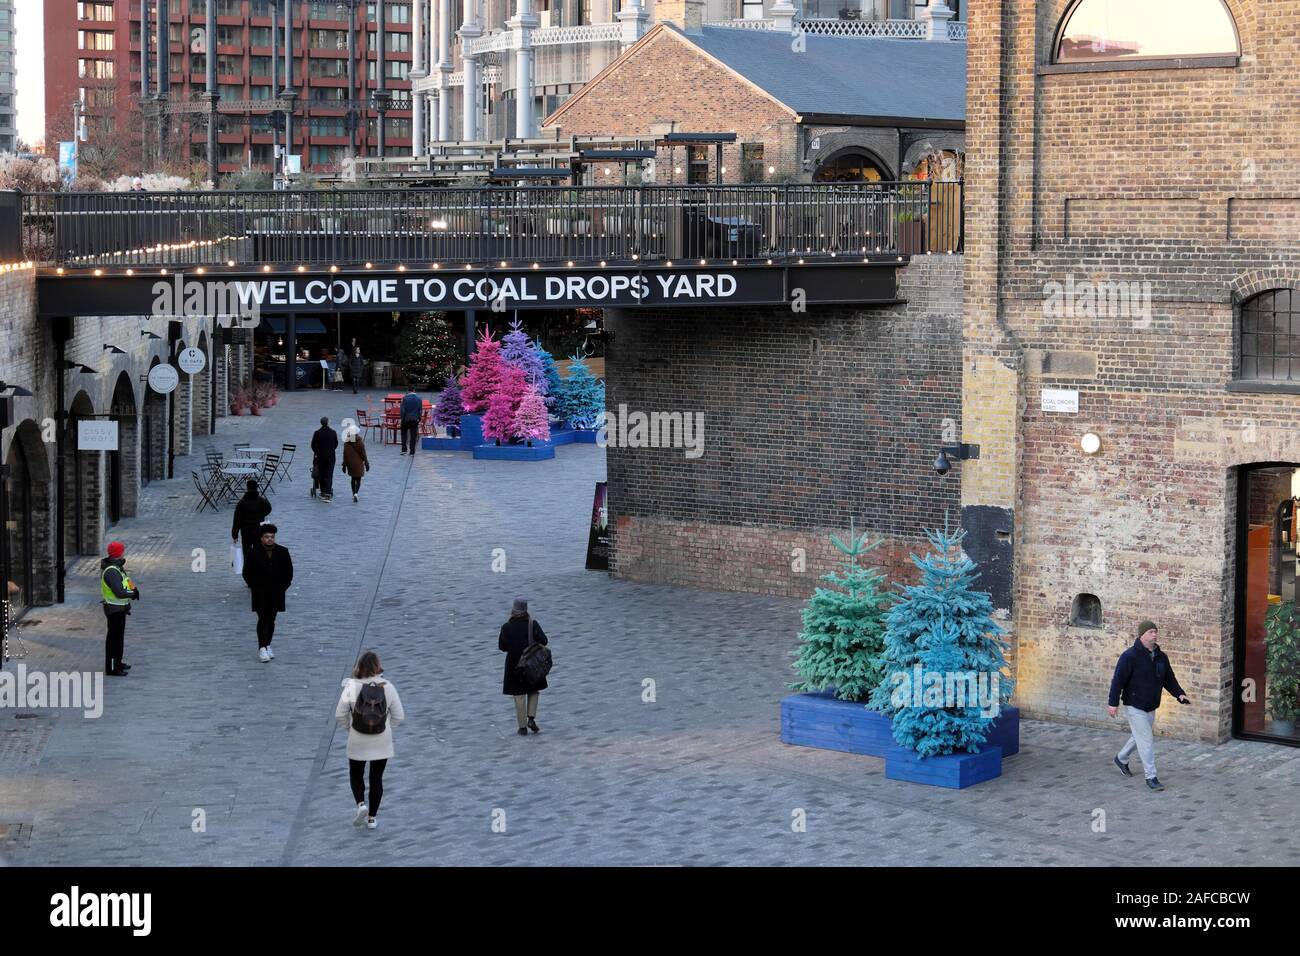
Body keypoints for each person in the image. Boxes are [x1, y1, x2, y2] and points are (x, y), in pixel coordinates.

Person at [1108, 620, 1190, 792]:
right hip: (1134, 704)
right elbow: (1118, 680)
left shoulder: (1161, 657)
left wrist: (1179, 694)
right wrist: (1113, 703)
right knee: (1146, 740)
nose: (1155, 634)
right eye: (1151, 632)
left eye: (1155, 632)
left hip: (1151, 705)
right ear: (1142, 635)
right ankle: (1151, 776)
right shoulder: (1130, 656)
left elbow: (1169, 679)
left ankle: (1121, 758)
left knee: (1140, 736)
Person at [335, 651, 405, 830]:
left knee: (356, 774)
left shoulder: (352, 686)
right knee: (376, 778)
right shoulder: (387, 686)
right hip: (381, 741)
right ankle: (372, 818)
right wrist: (387, 728)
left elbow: (340, 714)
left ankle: (361, 805)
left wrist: (351, 729)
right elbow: (399, 716)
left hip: (358, 739)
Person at [241, 523, 293, 663]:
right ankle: (262, 648)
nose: (270, 539)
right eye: (267, 537)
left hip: (277, 592)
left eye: (272, 536)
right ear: (261, 538)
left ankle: (267, 644)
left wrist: (283, 587)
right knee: (263, 618)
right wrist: (255, 587)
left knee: (272, 619)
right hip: (260, 593)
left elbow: (289, 573)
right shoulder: (253, 552)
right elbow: (247, 573)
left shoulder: (283, 551)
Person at [498, 598, 548, 736]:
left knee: (519, 695)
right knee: (533, 690)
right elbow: (544, 641)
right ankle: (531, 718)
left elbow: (502, 647)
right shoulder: (532, 624)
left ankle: (522, 727)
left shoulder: (506, 627)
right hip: (532, 664)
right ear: (526, 611)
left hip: (514, 665)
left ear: (513, 610)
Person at [101, 541, 140, 677]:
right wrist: (132, 593)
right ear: (118, 553)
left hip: (119, 608)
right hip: (114, 609)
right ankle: (112, 667)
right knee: (114, 639)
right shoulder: (112, 571)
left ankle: (118, 662)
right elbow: (119, 592)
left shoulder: (117, 568)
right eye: (122, 551)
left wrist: (133, 589)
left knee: (118, 638)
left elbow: (126, 582)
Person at [231, 478, 272, 559]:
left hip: (246, 532)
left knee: (247, 553)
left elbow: (237, 521)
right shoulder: (261, 500)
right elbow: (269, 508)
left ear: (247, 488)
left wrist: (234, 535)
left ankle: (248, 569)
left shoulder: (242, 503)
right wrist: (261, 515)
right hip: (258, 531)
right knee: (259, 552)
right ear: (256, 488)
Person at [311, 415, 339, 502]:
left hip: (320, 457)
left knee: (322, 474)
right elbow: (336, 444)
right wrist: (331, 449)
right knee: (329, 474)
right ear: (328, 423)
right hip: (331, 456)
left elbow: (313, 445)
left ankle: (323, 491)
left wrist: (317, 451)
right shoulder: (333, 432)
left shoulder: (317, 433)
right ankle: (327, 492)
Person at [342, 424, 370, 503]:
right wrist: (367, 463)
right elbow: (363, 454)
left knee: (353, 478)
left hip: (350, 463)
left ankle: (353, 493)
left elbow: (345, 454)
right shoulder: (360, 442)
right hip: (358, 463)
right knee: (358, 479)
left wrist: (344, 465)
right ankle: (356, 493)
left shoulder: (346, 443)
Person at [399, 385, 422, 455]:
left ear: (408, 390)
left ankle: (404, 449)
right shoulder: (419, 399)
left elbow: (402, 410)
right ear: (414, 390)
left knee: (404, 434)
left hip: (406, 419)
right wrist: (419, 418)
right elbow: (420, 410)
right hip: (415, 419)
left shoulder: (405, 398)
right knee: (413, 436)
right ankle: (412, 451)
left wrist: (402, 418)